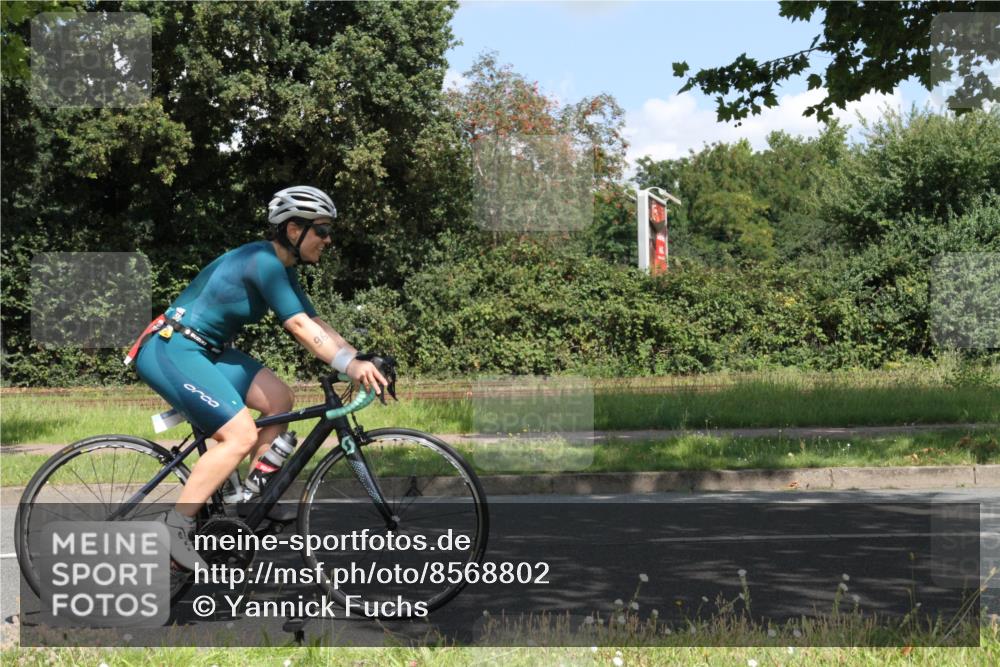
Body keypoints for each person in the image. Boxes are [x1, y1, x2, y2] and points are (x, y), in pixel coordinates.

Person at [128, 185, 388, 570]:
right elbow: (299, 327)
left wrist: (359, 358)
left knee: (279, 400)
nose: (328, 239)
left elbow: (316, 322)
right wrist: (349, 367)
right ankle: (175, 526)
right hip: (172, 348)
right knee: (241, 434)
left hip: (206, 351)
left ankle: (246, 501)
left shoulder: (280, 267)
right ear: (294, 229)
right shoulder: (263, 262)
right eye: (321, 230)